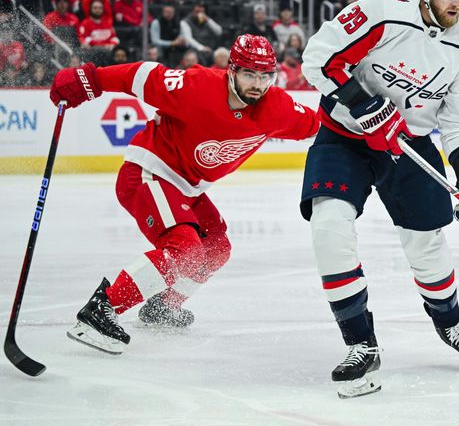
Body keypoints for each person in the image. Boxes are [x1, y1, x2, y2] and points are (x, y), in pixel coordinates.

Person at [300, 0, 459, 399]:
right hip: (344, 136)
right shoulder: (385, 10)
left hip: (410, 146)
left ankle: (449, 324)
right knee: (330, 226)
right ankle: (360, 344)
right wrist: (365, 105)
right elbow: (320, 57)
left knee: (426, 239)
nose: (457, 1)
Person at [52, 34, 319, 354]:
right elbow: (141, 75)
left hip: (186, 188)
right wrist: (90, 79)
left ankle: (163, 306)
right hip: (149, 173)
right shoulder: (197, 86)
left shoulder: (276, 107)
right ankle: (102, 308)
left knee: (216, 247)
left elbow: (319, 125)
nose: (257, 85)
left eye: (265, 76)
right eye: (249, 74)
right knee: (185, 249)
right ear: (231, 70)